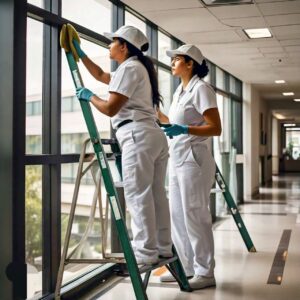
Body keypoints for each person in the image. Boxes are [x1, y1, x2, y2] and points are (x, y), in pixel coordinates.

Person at [73, 25, 172, 264]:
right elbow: (100, 75)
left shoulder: (129, 69)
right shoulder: (135, 68)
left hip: (137, 136)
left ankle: (146, 254)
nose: (109, 45)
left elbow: (110, 108)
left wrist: (90, 96)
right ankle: (163, 248)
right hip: (152, 136)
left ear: (124, 46)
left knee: (139, 196)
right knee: (157, 195)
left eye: (112, 41)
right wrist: (80, 53)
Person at [158, 44, 222, 289]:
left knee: (196, 216)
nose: (172, 63)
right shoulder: (180, 92)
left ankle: (206, 272)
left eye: (176, 59)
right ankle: (186, 268)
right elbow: (172, 122)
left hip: (194, 160)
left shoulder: (201, 89)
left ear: (190, 63)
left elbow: (215, 127)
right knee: (178, 216)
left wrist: (185, 129)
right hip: (178, 158)